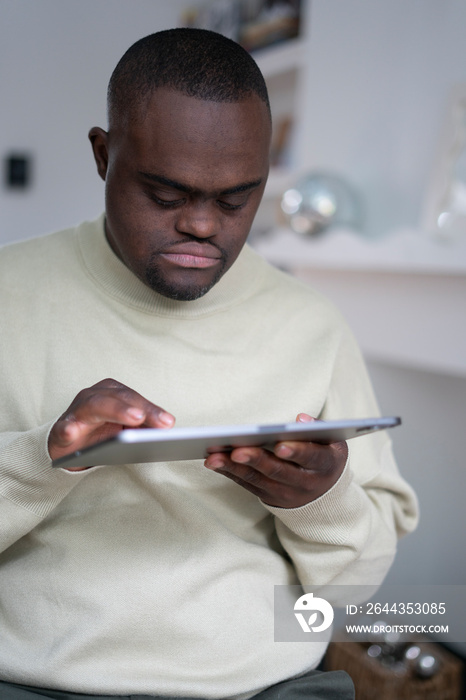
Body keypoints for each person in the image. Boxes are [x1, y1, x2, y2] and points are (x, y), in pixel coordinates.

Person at [0, 28, 418, 700]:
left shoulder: (312, 325)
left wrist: (323, 504)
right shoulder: (8, 295)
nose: (201, 225)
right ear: (104, 156)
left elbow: (355, 594)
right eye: (166, 196)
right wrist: (45, 457)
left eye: (235, 200)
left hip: (264, 687)